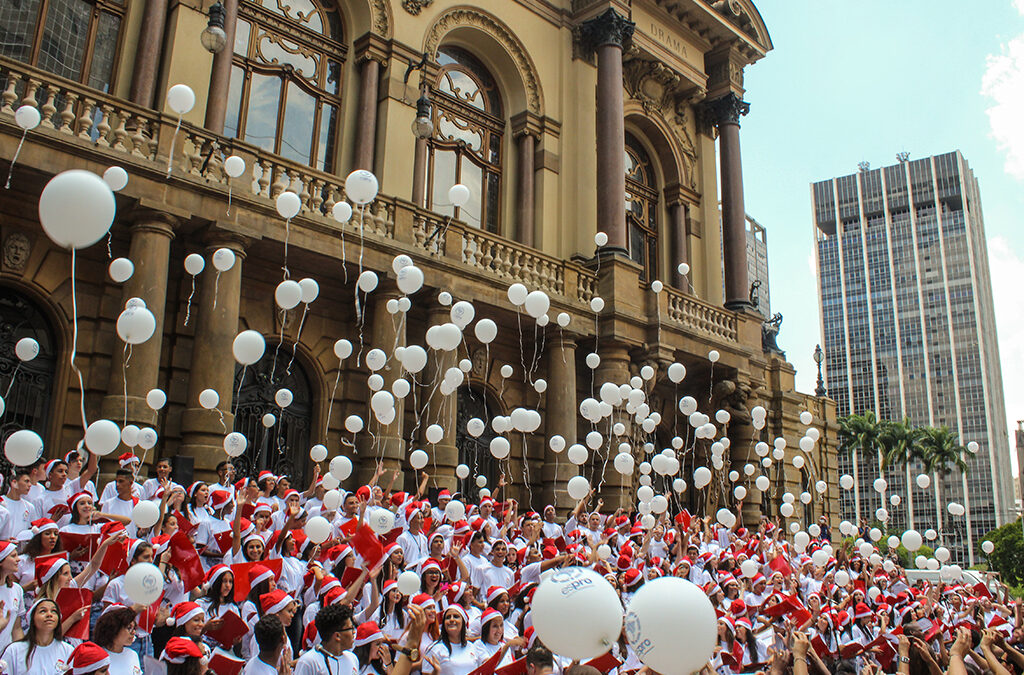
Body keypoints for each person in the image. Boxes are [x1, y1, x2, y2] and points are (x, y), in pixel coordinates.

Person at [0, 598, 74, 674]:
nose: (49, 614)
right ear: (32, 619)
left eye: (54, 611)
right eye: (43, 611)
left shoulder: (68, 650)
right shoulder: (14, 650)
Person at [293, 603, 359, 675]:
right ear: (337, 635)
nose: (354, 632)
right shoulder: (309, 662)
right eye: (351, 628)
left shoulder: (352, 658)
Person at [92, 605, 142, 675]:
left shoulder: (133, 654)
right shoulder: (97, 657)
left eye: (134, 628)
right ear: (113, 629)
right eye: (129, 628)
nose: (133, 632)